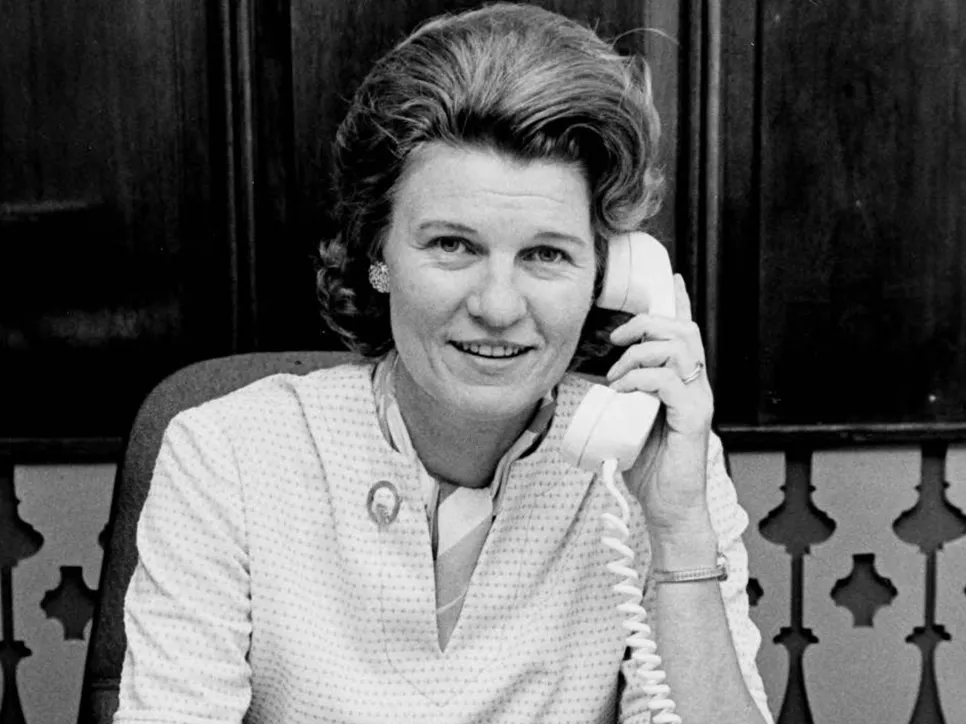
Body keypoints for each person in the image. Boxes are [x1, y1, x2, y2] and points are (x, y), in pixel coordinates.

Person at [114, 4, 773, 723]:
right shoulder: (225, 455)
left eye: (546, 254)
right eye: (453, 245)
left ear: (609, 278)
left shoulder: (657, 475)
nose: (497, 305)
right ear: (378, 253)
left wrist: (677, 528)